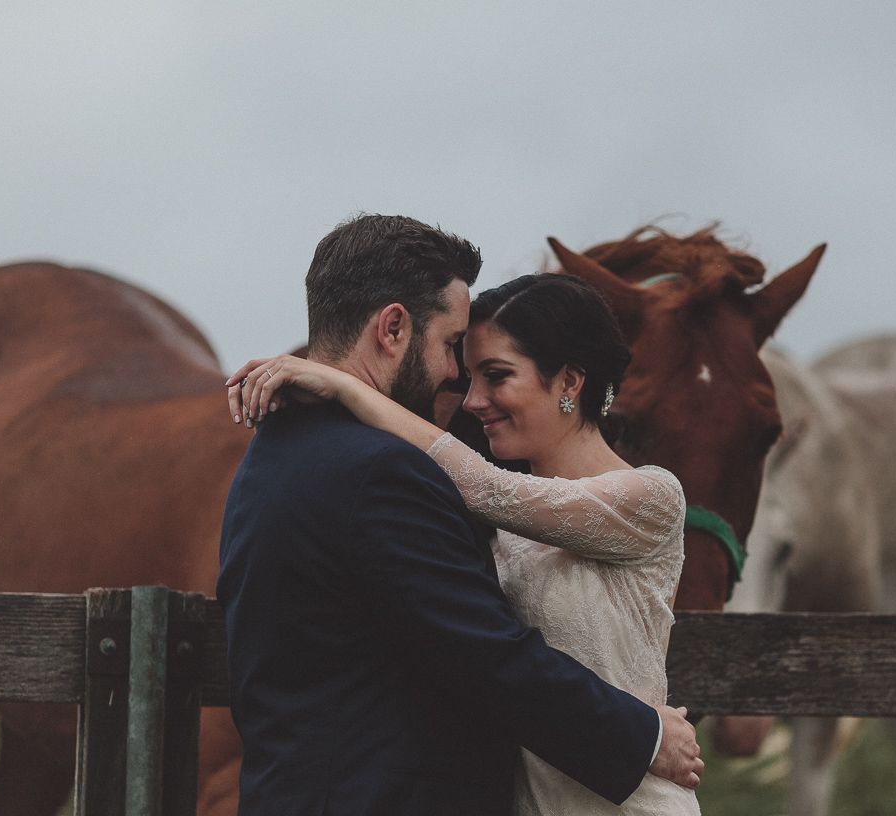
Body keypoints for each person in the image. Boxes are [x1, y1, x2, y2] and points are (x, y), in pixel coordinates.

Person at [217, 214, 702, 816]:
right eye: (453, 349)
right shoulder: (377, 472)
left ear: (571, 381)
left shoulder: (272, 455)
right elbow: (488, 658)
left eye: (490, 374)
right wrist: (644, 736)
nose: (458, 385)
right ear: (393, 327)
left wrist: (341, 386)